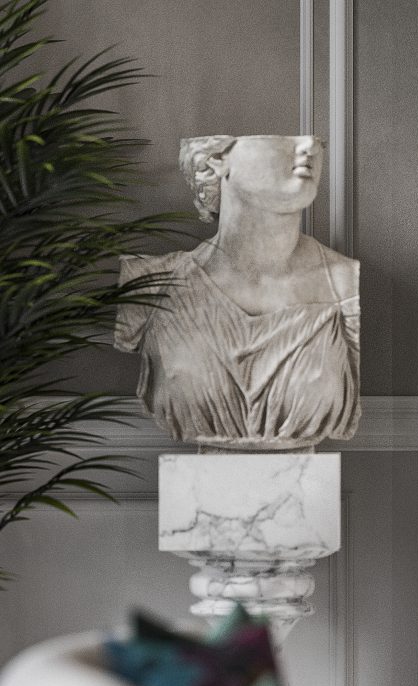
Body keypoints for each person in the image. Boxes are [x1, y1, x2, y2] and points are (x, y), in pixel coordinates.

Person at [115, 135, 360, 451]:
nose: (309, 147)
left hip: (306, 489)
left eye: (318, 142)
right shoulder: (152, 282)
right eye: (280, 140)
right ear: (218, 159)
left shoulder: (346, 285)